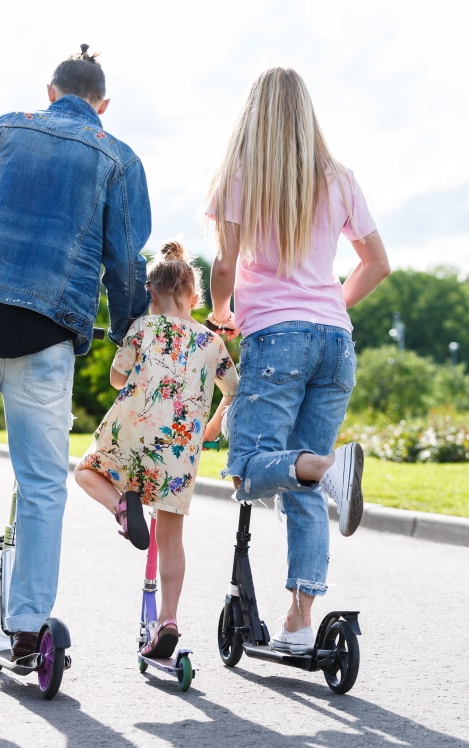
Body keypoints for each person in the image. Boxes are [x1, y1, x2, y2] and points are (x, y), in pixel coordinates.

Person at [0, 45, 152, 659]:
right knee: (44, 484)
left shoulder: (2, 129)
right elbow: (125, 261)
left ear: (50, 93)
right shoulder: (119, 158)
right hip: (48, 332)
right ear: (103, 105)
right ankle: (25, 628)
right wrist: (128, 333)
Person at [206, 66, 392, 655]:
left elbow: (225, 265)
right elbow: (376, 264)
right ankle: (299, 622)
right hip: (335, 343)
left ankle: (333, 468)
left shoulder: (241, 176)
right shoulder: (339, 179)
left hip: (276, 341)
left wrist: (218, 312)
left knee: (246, 466)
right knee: (301, 473)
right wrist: (326, 307)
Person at [74, 241, 237, 657]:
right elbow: (236, 391)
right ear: (195, 297)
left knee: (85, 472)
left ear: (150, 294)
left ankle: (121, 508)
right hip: (179, 450)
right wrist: (212, 426)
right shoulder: (211, 343)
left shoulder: (142, 330)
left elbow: (116, 378)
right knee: (171, 536)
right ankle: (168, 618)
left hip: (131, 435)